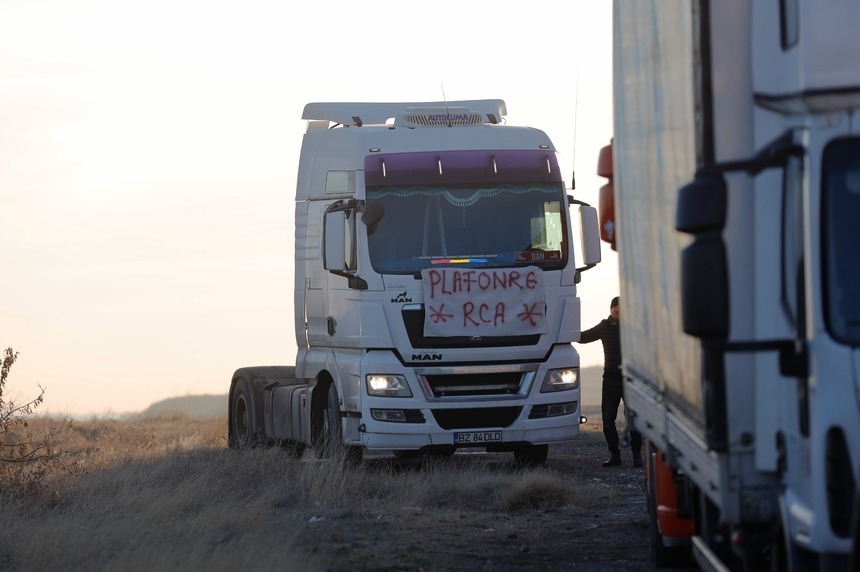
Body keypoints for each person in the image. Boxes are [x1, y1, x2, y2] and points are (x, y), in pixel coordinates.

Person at [577, 296, 642, 467]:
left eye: (621, 307)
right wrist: (563, 331)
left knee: (633, 419)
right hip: (610, 379)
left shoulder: (632, 328)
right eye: (614, 307)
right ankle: (615, 455)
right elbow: (583, 337)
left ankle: (637, 456)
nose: (617, 310)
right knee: (607, 420)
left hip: (630, 379)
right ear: (610, 309)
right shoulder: (604, 327)